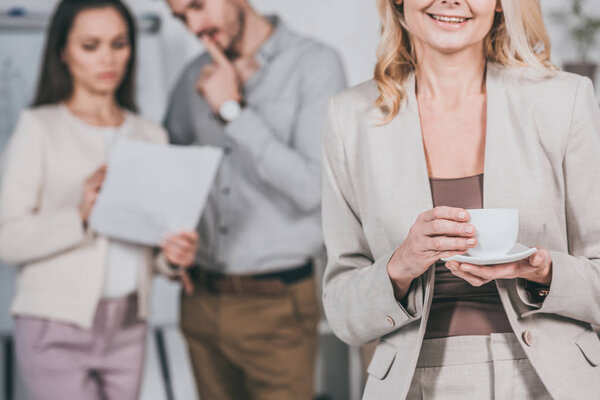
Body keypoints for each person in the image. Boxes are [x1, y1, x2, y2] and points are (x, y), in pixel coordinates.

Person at [322, 0, 600, 399]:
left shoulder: (565, 100)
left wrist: (543, 270)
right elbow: (342, 314)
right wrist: (400, 266)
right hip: (414, 382)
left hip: (552, 381)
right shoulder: (350, 117)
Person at [0, 1, 198, 399]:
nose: (108, 58)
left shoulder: (150, 135)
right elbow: (6, 238)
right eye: (91, 45)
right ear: (63, 52)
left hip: (127, 324)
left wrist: (171, 259)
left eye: (119, 43)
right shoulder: (39, 127)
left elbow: (147, 245)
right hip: (54, 325)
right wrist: (81, 216)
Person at [163, 0, 347, 398]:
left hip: (276, 306)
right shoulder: (192, 77)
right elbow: (167, 176)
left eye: (197, 6)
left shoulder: (315, 65)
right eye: (181, 17)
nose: (194, 25)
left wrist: (232, 111)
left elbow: (312, 189)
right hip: (199, 300)